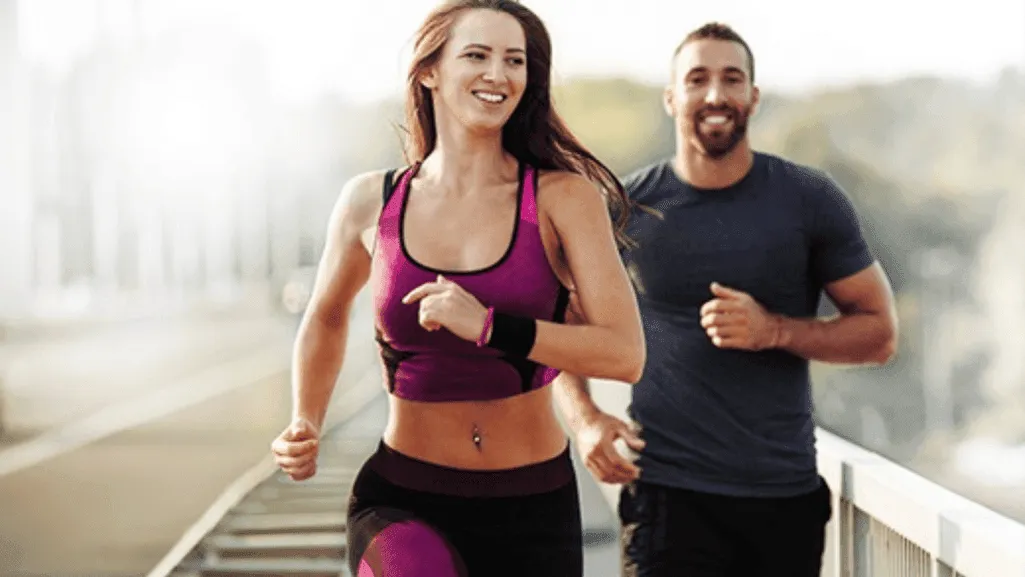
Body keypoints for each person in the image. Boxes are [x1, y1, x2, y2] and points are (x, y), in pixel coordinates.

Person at [270, 1, 645, 576]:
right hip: (403, 499)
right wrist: (306, 419)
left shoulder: (563, 199)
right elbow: (325, 316)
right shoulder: (371, 201)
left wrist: (493, 327)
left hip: (533, 506)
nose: (498, 74)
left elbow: (624, 353)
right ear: (429, 71)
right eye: (477, 55)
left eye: (514, 60)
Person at [553, 22, 900, 577]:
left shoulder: (809, 200)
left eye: (731, 79)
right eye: (697, 79)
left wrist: (776, 331)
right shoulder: (625, 209)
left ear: (753, 97)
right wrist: (586, 418)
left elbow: (880, 333)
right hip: (667, 498)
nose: (715, 95)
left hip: (782, 499)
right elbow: (562, 324)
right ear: (672, 97)